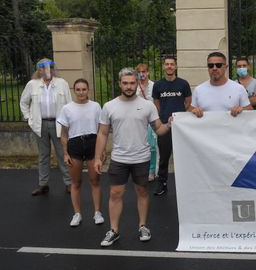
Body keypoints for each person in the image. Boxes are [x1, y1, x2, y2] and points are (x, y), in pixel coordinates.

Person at [94, 68, 172, 247]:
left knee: (142, 192)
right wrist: (98, 157)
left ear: (137, 84)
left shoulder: (148, 105)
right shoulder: (109, 106)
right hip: (119, 158)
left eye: (132, 83)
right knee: (115, 193)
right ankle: (114, 230)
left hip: (142, 158)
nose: (129, 87)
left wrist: (170, 124)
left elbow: (159, 129)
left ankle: (143, 226)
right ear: (119, 83)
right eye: (125, 83)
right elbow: (103, 133)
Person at [19, 58, 72, 195]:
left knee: (63, 154)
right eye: (43, 67)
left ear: (53, 68)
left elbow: (69, 104)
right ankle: (43, 184)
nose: (47, 69)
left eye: (50, 67)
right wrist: (28, 118)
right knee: (43, 155)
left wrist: (69, 123)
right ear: (39, 69)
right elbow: (23, 102)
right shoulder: (32, 84)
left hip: (58, 124)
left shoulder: (62, 83)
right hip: (40, 124)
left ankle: (69, 183)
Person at [57, 78, 104, 227]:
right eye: (78, 89)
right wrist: (65, 153)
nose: (81, 92)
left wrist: (101, 151)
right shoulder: (67, 108)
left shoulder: (96, 106)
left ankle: (97, 212)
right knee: (76, 182)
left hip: (92, 143)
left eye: (84, 89)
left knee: (95, 181)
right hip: (75, 144)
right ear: (74, 91)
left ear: (88, 90)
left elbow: (102, 130)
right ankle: (77, 214)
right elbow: (63, 134)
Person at [151, 56, 191, 196]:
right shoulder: (158, 85)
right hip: (164, 126)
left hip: (181, 126)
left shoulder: (183, 84)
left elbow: (187, 102)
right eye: (167, 64)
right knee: (164, 157)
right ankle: (162, 183)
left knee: (184, 157)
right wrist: (163, 118)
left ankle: (187, 184)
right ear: (163, 66)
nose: (169, 66)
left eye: (172, 64)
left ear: (176, 66)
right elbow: (156, 103)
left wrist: (179, 116)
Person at [189, 52, 251, 117]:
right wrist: (194, 111)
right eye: (211, 65)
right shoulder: (198, 90)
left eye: (218, 65)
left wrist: (242, 109)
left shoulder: (239, 88)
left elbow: (250, 111)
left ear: (226, 67)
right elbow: (190, 112)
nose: (214, 68)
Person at [136, 63, 159, 182]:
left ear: (148, 72)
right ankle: (141, 171)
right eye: (139, 72)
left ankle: (151, 171)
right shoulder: (135, 86)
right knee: (140, 146)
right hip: (138, 121)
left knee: (152, 146)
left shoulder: (154, 86)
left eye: (144, 71)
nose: (141, 74)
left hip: (151, 120)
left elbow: (156, 103)